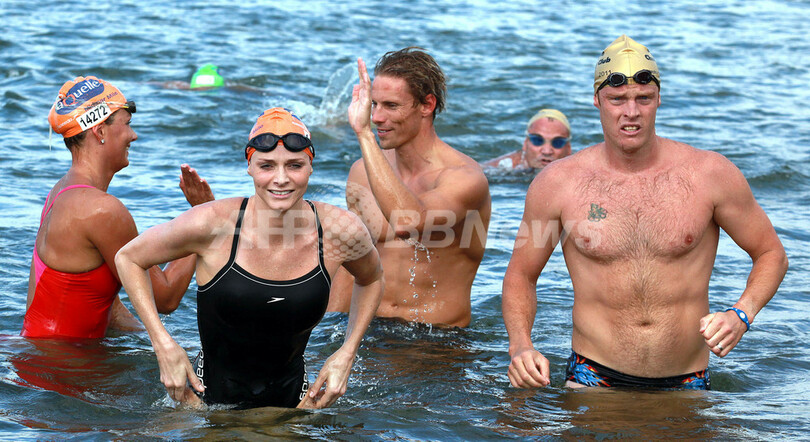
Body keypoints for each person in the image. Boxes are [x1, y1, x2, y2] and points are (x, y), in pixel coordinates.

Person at [502, 35, 788, 390]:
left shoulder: (710, 174)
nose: (631, 112)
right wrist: (520, 347)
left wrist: (741, 314)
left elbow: (771, 253)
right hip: (592, 377)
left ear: (659, 99)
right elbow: (521, 274)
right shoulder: (557, 183)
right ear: (597, 100)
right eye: (617, 99)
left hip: (687, 380)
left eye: (644, 98)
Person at [115, 107, 383, 409]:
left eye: (294, 165)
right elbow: (128, 258)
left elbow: (372, 277)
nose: (281, 179)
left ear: (311, 167)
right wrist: (163, 344)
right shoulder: (212, 224)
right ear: (250, 167)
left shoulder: (339, 231)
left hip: (298, 408)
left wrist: (347, 352)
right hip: (202, 406)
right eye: (266, 165)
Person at [23, 75, 213, 339]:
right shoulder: (101, 211)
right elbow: (165, 297)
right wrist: (202, 215)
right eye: (127, 124)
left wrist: (151, 340)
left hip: (37, 354)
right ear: (100, 131)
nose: (133, 136)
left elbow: (105, 305)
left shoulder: (61, 191)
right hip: (62, 363)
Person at [327, 47, 491, 328]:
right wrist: (331, 328)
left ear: (427, 105)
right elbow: (351, 264)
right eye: (374, 104)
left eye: (391, 106)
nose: (376, 117)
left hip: (437, 339)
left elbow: (407, 222)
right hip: (370, 329)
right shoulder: (361, 172)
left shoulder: (465, 178)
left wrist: (364, 134)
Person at [483, 109, 572, 172]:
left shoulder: (575, 169)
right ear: (525, 144)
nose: (547, 151)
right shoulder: (506, 166)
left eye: (557, 142)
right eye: (537, 140)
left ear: (568, 149)